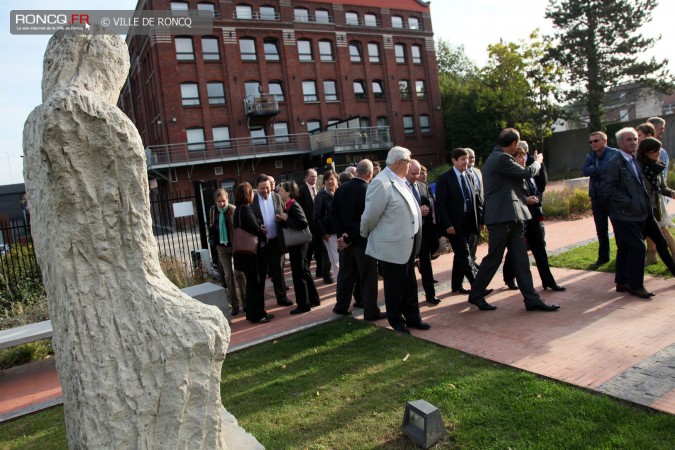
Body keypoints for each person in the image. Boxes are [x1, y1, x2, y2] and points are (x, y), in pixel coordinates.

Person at [467, 128, 560, 312]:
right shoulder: (501, 158)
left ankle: (532, 299)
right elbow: (527, 173)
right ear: (514, 144)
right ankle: (476, 294)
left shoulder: (498, 158)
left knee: (521, 260)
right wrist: (538, 161)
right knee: (494, 258)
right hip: (502, 218)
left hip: (512, 216)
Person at [361, 147, 430, 334]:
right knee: (394, 286)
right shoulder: (381, 183)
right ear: (399, 162)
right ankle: (396, 320)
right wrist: (365, 234)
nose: (410, 164)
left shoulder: (400, 180)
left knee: (409, 284)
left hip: (407, 243)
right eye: (409, 161)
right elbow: (369, 217)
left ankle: (413, 317)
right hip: (392, 245)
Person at [601, 128, 655, 299]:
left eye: (635, 139)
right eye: (629, 140)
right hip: (623, 214)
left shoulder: (634, 160)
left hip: (637, 213)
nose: (633, 142)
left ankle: (622, 281)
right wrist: (629, 202)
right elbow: (607, 189)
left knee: (625, 247)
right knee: (638, 247)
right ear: (620, 143)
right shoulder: (614, 163)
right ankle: (636, 285)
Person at [503, 146, 566, 292]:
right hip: (519, 218)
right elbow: (509, 197)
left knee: (540, 250)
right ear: (513, 160)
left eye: (524, 157)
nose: (524, 160)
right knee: (516, 251)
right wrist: (526, 200)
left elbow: (538, 186)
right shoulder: (510, 176)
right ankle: (509, 277)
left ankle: (548, 281)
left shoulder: (528, 173)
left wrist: (537, 197)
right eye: (520, 157)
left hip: (533, 217)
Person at [331, 159, 385, 321]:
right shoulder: (370, 190)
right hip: (363, 242)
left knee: (346, 276)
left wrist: (342, 235)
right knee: (368, 277)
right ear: (370, 173)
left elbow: (333, 214)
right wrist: (349, 237)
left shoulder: (341, 189)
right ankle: (370, 312)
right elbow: (368, 219)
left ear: (356, 172)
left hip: (345, 243)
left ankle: (341, 307)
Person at [436, 148, 480, 295]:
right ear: (454, 161)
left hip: (469, 221)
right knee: (465, 255)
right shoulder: (445, 178)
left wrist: (480, 219)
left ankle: (456, 285)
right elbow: (440, 204)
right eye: (462, 159)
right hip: (454, 224)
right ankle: (478, 287)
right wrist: (448, 224)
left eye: (467, 159)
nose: (466, 162)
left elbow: (476, 199)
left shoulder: (469, 176)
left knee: (460, 255)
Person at [232, 182, 274, 323]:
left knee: (253, 284)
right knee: (256, 284)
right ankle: (256, 314)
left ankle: (258, 312)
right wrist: (263, 235)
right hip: (252, 255)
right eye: (252, 192)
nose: (254, 194)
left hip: (245, 254)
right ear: (247, 194)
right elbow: (254, 228)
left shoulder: (238, 209)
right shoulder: (245, 209)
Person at [276, 181, 321, 314]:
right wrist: (282, 220)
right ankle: (313, 299)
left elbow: (302, 222)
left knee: (299, 273)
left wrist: (286, 219)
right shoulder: (288, 205)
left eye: (281, 190)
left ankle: (303, 304)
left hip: (299, 245)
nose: (279, 192)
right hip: (298, 245)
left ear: (289, 192)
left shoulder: (293, 205)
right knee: (304, 271)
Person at [250, 174, 293, 307]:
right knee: (261, 273)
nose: (265, 190)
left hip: (276, 241)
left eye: (267, 187)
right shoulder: (252, 201)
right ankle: (260, 303)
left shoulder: (277, 197)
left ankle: (281, 297)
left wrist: (282, 219)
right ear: (257, 188)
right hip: (261, 243)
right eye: (262, 188)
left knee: (278, 271)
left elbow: (284, 213)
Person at [635, 137, 675, 275]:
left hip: (653, 211)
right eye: (656, 151)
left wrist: (672, 193)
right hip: (641, 213)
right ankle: (627, 277)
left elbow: (662, 188)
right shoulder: (637, 167)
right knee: (636, 246)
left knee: (660, 243)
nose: (659, 153)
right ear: (646, 152)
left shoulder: (657, 166)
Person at [582, 131, 619, 267]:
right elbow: (585, 171)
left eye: (596, 141)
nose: (593, 144)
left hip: (611, 197)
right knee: (601, 229)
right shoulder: (590, 155)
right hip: (596, 197)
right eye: (590, 142)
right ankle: (603, 257)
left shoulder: (614, 154)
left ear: (605, 140)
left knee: (618, 228)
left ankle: (621, 256)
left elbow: (608, 169)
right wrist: (598, 169)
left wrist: (594, 169)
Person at [407, 160, 440, 304]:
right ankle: (410, 299)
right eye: (413, 173)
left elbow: (429, 203)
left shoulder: (423, 186)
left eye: (418, 173)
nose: (416, 176)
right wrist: (417, 211)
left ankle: (430, 295)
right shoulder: (402, 188)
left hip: (424, 232)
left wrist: (427, 209)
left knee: (426, 264)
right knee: (408, 268)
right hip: (407, 233)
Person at [208, 189, 246, 316]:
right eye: (219, 202)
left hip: (235, 246)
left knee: (239, 274)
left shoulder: (233, 210)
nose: (222, 204)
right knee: (228, 275)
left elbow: (239, 229)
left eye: (223, 201)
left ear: (227, 198)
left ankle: (245, 302)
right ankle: (234, 305)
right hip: (222, 247)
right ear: (215, 201)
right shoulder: (213, 211)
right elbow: (212, 226)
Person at [298, 168, 329, 282]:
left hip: (318, 225)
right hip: (308, 226)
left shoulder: (318, 189)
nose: (314, 178)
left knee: (320, 249)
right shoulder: (302, 190)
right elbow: (300, 208)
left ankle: (319, 271)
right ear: (306, 177)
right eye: (312, 176)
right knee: (309, 251)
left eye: (316, 176)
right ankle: (305, 273)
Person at [314, 170, 340, 282]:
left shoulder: (340, 193)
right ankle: (340, 282)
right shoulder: (320, 196)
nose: (330, 181)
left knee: (343, 259)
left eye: (332, 179)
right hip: (330, 234)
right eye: (327, 179)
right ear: (324, 182)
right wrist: (323, 233)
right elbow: (316, 216)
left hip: (342, 232)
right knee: (335, 260)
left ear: (336, 180)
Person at [464, 148, 484, 267]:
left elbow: (481, 192)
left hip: (479, 211)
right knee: (468, 241)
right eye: (469, 157)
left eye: (473, 157)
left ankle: (473, 258)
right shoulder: (463, 173)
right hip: (468, 212)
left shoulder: (477, 171)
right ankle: (469, 262)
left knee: (476, 238)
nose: (472, 160)